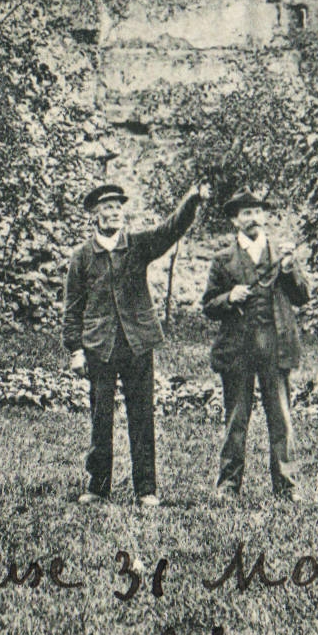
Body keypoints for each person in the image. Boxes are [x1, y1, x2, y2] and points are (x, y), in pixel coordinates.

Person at [63, 180, 208, 507]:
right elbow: (73, 307)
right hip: (100, 345)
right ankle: (98, 487)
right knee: (101, 418)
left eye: (118, 208)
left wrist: (193, 199)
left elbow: (171, 230)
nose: (114, 213)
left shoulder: (138, 245)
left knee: (142, 417)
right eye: (107, 208)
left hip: (138, 343)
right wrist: (75, 349)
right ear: (95, 215)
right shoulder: (82, 257)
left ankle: (146, 489)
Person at [202, 189, 311, 502]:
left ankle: (287, 487)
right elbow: (208, 305)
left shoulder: (281, 255)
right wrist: (228, 298)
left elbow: (303, 296)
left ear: (264, 216)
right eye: (245, 213)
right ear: (235, 220)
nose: (252, 218)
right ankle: (228, 487)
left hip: (275, 349)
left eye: (257, 212)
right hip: (237, 351)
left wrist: (290, 269)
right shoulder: (223, 260)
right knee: (236, 421)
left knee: (281, 420)